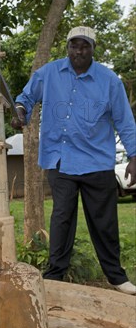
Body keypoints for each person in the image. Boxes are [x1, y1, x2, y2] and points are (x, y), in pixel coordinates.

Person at [12, 26, 136, 296]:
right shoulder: (49, 73)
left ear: (93, 48)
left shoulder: (109, 80)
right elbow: (26, 97)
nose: (78, 51)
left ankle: (116, 276)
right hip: (61, 159)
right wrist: (21, 111)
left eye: (84, 46)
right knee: (62, 218)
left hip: (97, 162)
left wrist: (134, 156)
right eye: (74, 46)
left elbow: (125, 121)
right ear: (67, 47)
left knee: (104, 221)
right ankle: (55, 275)